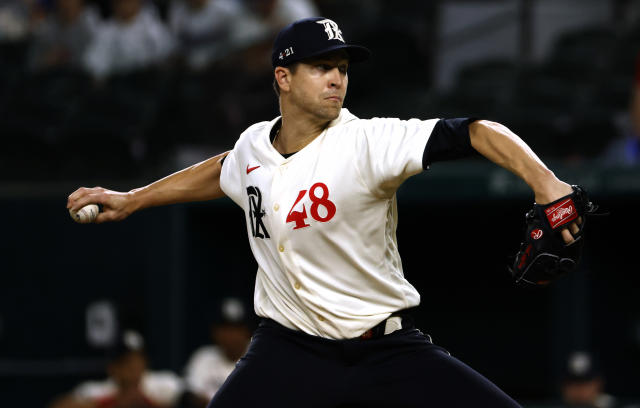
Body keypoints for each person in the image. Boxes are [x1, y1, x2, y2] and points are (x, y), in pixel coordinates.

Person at [68, 17, 585, 407]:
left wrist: (547, 184)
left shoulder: (368, 141)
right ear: (284, 78)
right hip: (288, 350)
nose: (337, 78)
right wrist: (132, 198)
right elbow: (224, 170)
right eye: (321, 68)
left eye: (341, 68)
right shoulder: (253, 146)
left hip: (385, 348)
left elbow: (476, 130)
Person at [49, 330, 183, 408]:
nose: (133, 367)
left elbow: (194, 400)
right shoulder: (96, 390)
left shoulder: (163, 383)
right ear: (112, 367)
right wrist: (113, 402)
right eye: (126, 362)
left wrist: (149, 402)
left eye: (138, 360)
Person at [181, 297, 252, 408]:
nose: (231, 335)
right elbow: (190, 395)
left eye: (236, 328)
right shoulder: (203, 358)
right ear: (215, 332)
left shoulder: (258, 357)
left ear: (247, 331)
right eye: (226, 328)